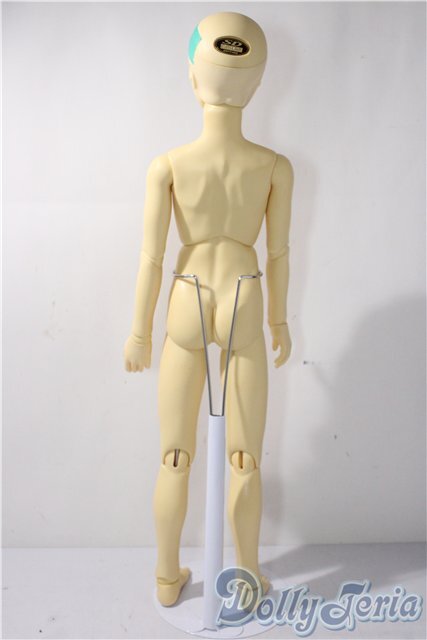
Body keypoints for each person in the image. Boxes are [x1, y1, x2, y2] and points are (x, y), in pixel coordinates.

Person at [124, 11, 294, 607]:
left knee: (175, 455)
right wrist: (278, 320)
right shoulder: (273, 167)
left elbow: (150, 258)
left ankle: (167, 578)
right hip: (245, 293)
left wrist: (140, 332)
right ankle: (245, 579)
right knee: (244, 458)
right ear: (257, 83)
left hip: (188, 293)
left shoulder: (168, 166)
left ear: (193, 78)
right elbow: (279, 253)